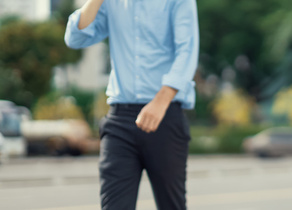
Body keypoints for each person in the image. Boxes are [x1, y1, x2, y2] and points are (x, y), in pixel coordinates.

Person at [64, 0, 199, 209]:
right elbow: (75, 38)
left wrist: (161, 101)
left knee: (172, 205)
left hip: (165, 115)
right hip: (120, 120)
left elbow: (187, 51)